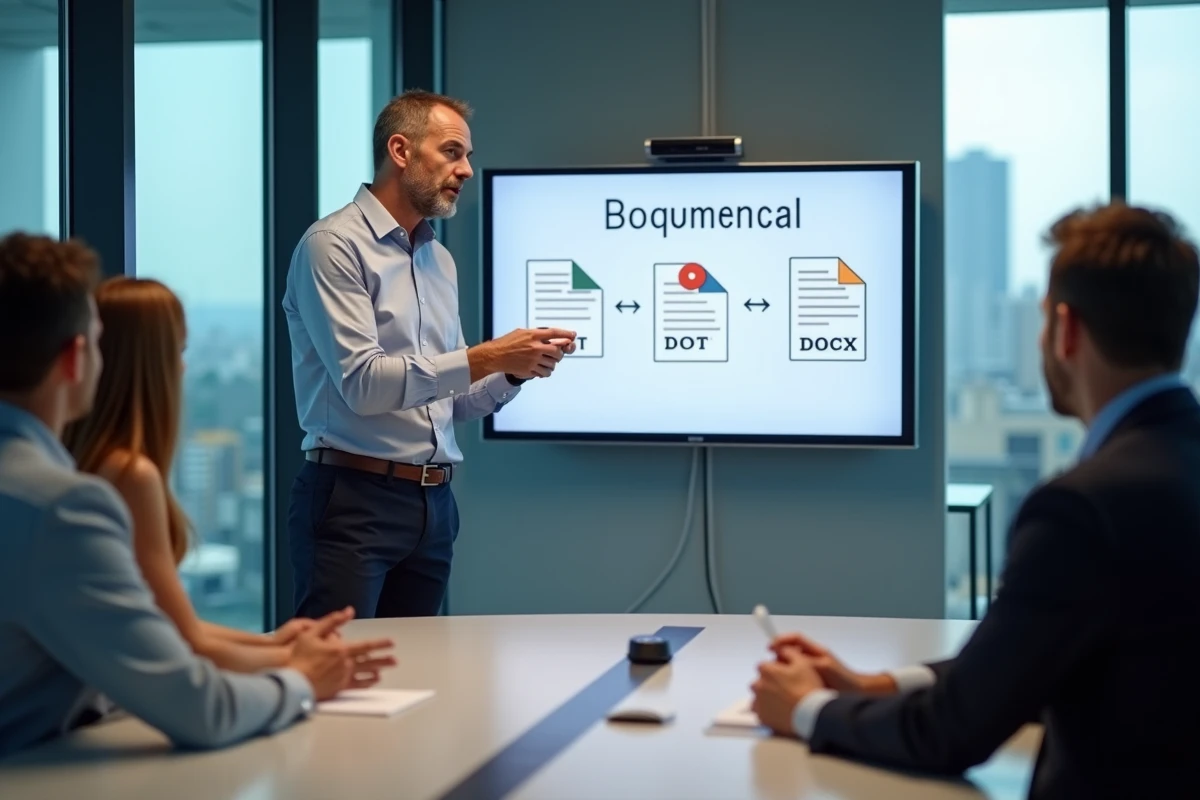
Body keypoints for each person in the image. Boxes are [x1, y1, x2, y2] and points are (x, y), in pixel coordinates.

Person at [750, 202, 1200, 798]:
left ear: (1065, 329)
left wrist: (809, 709)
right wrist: (874, 683)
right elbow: (1044, 659)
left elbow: (953, 732)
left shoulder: (1084, 508)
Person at [0, 233, 396, 756]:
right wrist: (301, 679)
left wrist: (277, 647)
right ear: (76, 358)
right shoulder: (64, 509)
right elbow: (199, 706)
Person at [283, 89, 576, 620]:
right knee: (336, 676)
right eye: (452, 152)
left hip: (434, 505)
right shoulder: (332, 245)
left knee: (411, 675)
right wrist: (487, 356)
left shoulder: (437, 258)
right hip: (352, 500)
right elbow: (364, 384)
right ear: (401, 151)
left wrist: (514, 371)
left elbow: (452, 402)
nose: (466, 169)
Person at [61, 277, 311, 673]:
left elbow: (176, 624)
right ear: (151, 362)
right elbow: (185, 640)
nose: (183, 365)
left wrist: (283, 640)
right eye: (177, 350)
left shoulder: (85, 461)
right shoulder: (131, 474)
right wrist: (300, 665)